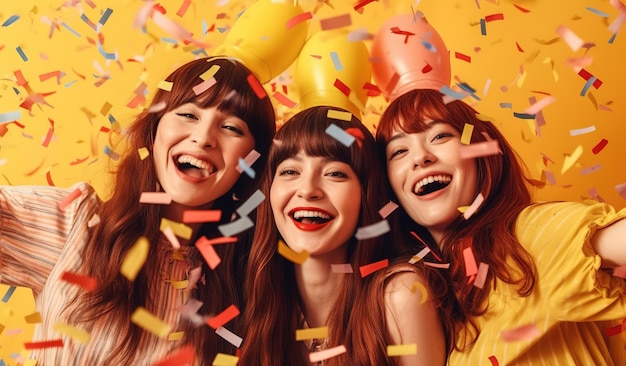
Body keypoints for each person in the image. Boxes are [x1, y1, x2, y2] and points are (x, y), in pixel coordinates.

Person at [0, 1, 309, 363]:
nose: (203, 137)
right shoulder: (77, 226)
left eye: (231, 127)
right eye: (189, 114)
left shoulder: (257, 284)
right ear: (153, 132)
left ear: (252, 163)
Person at [372, 12, 626, 365]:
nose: (420, 158)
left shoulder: (529, 242)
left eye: (440, 136)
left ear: (481, 154)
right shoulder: (431, 301)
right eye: (399, 150)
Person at [239, 28, 447, 366]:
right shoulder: (253, 294)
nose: (307, 190)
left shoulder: (400, 296)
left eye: (335, 173)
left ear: (367, 195)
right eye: (290, 172)